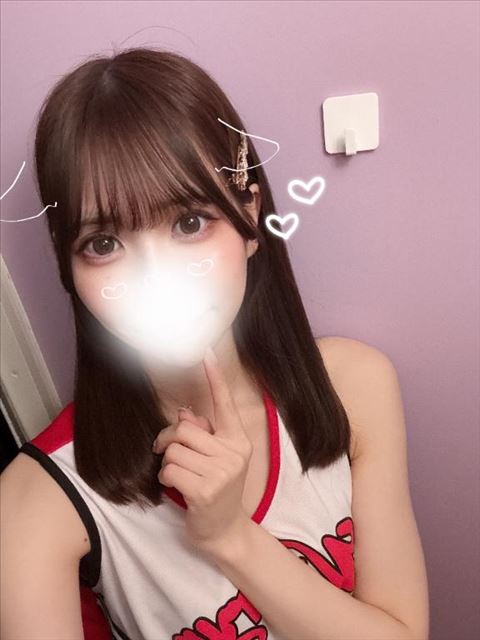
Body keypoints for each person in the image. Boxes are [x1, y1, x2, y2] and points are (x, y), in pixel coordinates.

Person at [0, 47, 429, 640]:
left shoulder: (353, 386)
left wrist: (233, 539)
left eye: (188, 222)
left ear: (250, 215)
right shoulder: (34, 503)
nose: (156, 279)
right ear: (68, 269)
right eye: (103, 244)